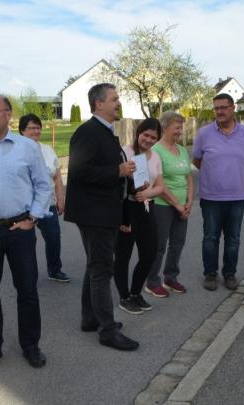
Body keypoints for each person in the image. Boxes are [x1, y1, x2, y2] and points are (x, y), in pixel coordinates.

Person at [0, 95, 53, 372]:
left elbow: (44, 185)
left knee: (27, 289)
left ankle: (31, 345)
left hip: (20, 229)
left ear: (9, 114)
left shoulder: (27, 148)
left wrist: (33, 217)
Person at [65, 83, 140, 351]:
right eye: (115, 99)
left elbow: (104, 168)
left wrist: (123, 172)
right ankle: (107, 329)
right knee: (101, 270)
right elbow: (79, 172)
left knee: (95, 266)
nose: (118, 103)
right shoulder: (88, 132)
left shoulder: (106, 132)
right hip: (94, 213)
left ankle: (90, 318)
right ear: (99, 104)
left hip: (104, 211)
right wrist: (117, 171)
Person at [193, 93, 244, 290]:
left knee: (233, 239)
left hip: (238, 196)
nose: (219, 111)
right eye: (216, 108)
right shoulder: (204, 134)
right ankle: (210, 274)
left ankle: (229, 274)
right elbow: (197, 160)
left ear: (233, 108)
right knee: (210, 238)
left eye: (223, 107)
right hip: (211, 196)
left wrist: (235, 175)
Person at [115, 118, 165, 314]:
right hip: (126, 209)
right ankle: (124, 296)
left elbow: (160, 186)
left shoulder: (155, 157)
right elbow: (116, 180)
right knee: (123, 256)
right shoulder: (125, 152)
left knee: (149, 254)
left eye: (153, 137)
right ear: (138, 133)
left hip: (147, 206)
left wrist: (148, 193)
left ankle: (136, 292)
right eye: (146, 135)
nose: (149, 139)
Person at [18, 113, 71, 283]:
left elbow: (57, 177)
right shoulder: (16, 152)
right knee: (27, 242)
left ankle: (54, 270)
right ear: (21, 131)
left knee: (54, 237)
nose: (35, 131)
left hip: (47, 204)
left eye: (38, 128)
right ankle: (28, 273)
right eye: (31, 128)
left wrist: (61, 199)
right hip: (24, 206)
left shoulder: (48, 150)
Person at [146, 111, 193, 298]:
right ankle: (152, 281)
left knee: (178, 243)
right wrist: (176, 204)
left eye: (181, 127)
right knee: (159, 245)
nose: (180, 131)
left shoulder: (181, 150)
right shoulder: (156, 151)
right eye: (177, 127)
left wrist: (189, 202)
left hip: (182, 205)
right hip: (162, 205)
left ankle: (171, 277)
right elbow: (159, 184)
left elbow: (189, 178)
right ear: (165, 128)